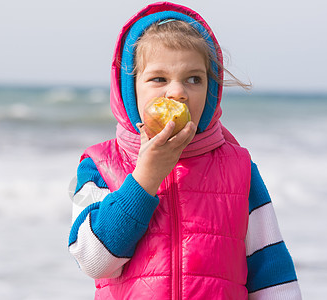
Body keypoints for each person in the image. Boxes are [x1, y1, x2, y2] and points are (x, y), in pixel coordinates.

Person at [68, 2, 302, 299]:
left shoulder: (239, 168)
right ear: (130, 89)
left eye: (194, 79)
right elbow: (93, 261)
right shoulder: (100, 165)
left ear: (211, 89)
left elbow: (273, 275)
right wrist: (145, 179)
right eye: (159, 79)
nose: (177, 92)